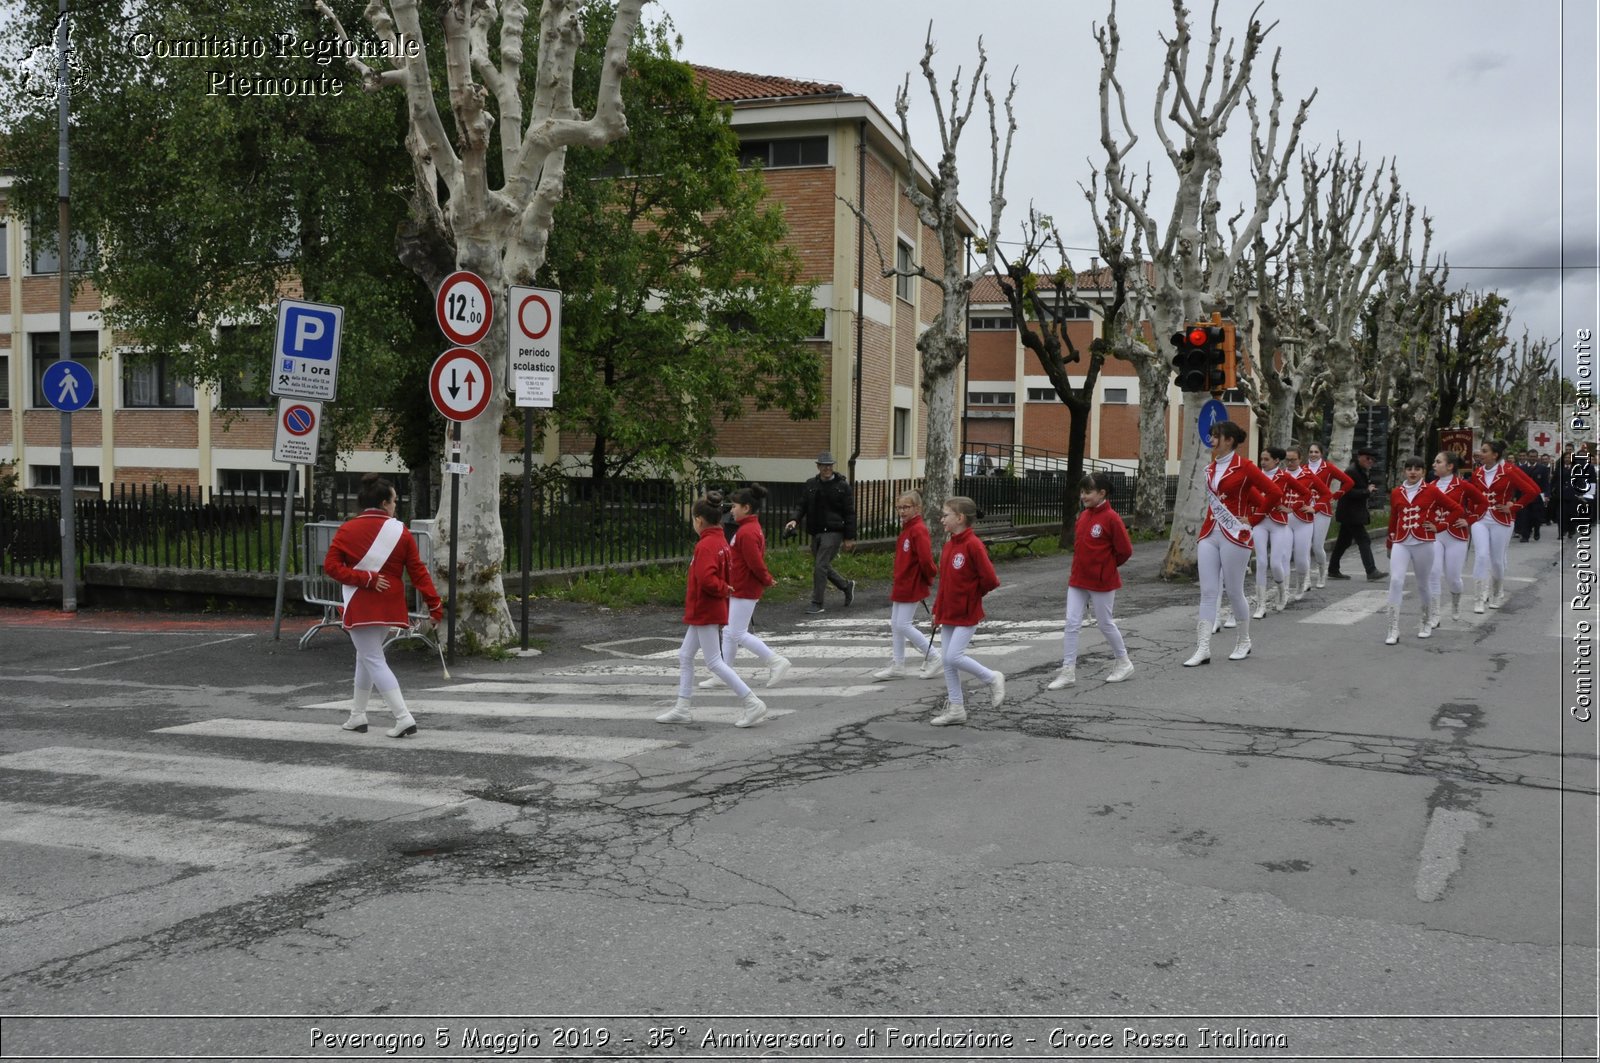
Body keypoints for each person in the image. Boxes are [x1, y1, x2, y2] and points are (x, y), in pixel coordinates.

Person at [323, 474, 443, 739]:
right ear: (384, 503)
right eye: (395, 501)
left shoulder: (347, 529)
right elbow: (418, 572)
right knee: (365, 657)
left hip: (361, 605)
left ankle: (403, 717)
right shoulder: (400, 531)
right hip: (389, 605)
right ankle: (357, 715)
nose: (396, 506)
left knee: (373, 659)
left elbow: (331, 567)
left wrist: (364, 578)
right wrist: (435, 605)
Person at [657, 492, 769, 728]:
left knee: (715, 662)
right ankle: (682, 707)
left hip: (704, 608)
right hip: (709, 608)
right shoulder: (720, 541)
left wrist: (722, 588)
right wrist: (724, 589)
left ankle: (752, 702)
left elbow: (707, 579)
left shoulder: (705, 545)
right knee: (685, 655)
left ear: (699, 520)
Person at [1184, 420, 1281, 666]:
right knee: (1207, 592)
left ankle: (1244, 640)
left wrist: (1254, 518)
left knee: (1234, 590)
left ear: (1229, 440)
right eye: (1211, 436)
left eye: (1216, 436)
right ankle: (1203, 647)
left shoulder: (1245, 467)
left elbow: (1273, 494)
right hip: (1209, 533)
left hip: (1234, 535)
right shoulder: (1210, 468)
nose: (1212, 440)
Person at [700, 485, 792, 692]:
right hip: (740, 587)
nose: (731, 510)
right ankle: (724, 673)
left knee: (736, 632)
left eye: (735, 506)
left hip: (744, 588)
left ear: (747, 508)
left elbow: (755, 562)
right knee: (730, 632)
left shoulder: (748, 532)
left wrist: (767, 579)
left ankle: (776, 661)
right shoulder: (748, 529)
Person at [1047, 473, 1134, 689]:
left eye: (1088, 492)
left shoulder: (1112, 518)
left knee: (1105, 623)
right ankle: (1068, 671)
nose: (1083, 496)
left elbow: (1124, 551)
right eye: (1082, 492)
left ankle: (1124, 662)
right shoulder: (1084, 516)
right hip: (1078, 579)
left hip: (1102, 581)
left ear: (1102, 493)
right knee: (1071, 623)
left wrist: (1106, 567)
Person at [928, 496, 1003, 726]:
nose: (942, 519)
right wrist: (937, 610)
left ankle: (992, 678)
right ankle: (956, 708)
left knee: (952, 656)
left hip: (967, 612)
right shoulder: (950, 544)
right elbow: (945, 582)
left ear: (960, 518)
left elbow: (990, 579)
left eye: (946, 514)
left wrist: (972, 595)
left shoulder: (973, 544)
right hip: (949, 611)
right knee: (949, 662)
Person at [1383, 456, 1466, 645]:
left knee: (1423, 583)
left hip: (1423, 542)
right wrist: (1390, 543)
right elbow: (1393, 519)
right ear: (1404, 471)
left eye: (1417, 469)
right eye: (1409, 468)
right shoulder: (1397, 492)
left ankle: (1426, 621)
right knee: (1396, 580)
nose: (1413, 472)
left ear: (1422, 472)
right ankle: (1393, 628)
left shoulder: (1432, 490)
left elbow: (1456, 509)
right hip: (1401, 542)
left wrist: (1439, 526)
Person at [872, 490, 941, 681]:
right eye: (899, 507)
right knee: (896, 624)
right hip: (902, 582)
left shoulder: (917, 529)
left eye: (906, 507)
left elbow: (927, 561)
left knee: (903, 624)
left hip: (912, 583)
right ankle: (898, 664)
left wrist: (927, 579)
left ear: (917, 508)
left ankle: (935, 656)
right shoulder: (907, 528)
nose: (902, 511)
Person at [1468, 439, 1541, 611]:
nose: (1480, 453)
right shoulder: (1477, 472)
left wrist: (1515, 506)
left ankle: (1497, 591)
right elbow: (1472, 495)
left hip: (1501, 519)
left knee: (1497, 560)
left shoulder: (1509, 470)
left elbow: (1533, 490)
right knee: (1481, 556)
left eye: (1484, 451)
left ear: (1495, 455)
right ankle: (1479, 597)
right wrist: (1470, 514)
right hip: (1480, 519)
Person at [785, 451, 857, 614]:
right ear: (818, 466)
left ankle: (817, 603)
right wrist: (793, 520)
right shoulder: (811, 484)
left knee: (820, 566)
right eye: (824, 465)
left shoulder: (842, 486)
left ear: (832, 467)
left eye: (829, 465)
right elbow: (801, 505)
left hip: (834, 531)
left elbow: (850, 512)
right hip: (816, 530)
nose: (827, 468)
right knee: (821, 566)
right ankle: (846, 586)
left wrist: (849, 537)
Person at [1425, 450, 1488, 626]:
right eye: (1435, 462)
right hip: (1435, 534)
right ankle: (1435, 614)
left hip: (1456, 535)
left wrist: (1469, 520)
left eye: (1438, 462)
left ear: (1450, 466)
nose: (1434, 465)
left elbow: (1483, 502)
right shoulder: (1430, 485)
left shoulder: (1462, 485)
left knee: (1453, 577)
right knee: (1434, 572)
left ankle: (1455, 603)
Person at [1278, 445, 1331, 603]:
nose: (1290, 463)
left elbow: (1327, 494)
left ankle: (1300, 586)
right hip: (1285, 521)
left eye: (1293, 460)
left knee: (1301, 558)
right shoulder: (1281, 475)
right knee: (1284, 556)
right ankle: (1284, 592)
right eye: (1287, 460)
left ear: (1300, 459)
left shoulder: (1308, 475)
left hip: (1303, 521)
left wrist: (1315, 508)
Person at [1326, 448, 1385, 581]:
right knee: (1364, 540)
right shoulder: (1352, 471)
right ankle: (1371, 571)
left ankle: (1333, 569)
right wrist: (1366, 491)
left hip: (1352, 513)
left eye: (1373, 460)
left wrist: (1368, 490)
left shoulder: (1361, 470)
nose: (1371, 462)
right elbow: (1347, 492)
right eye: (1368, 458)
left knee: (1343, 542)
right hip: (1350, 513)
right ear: (1360, 457)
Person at [1248, 446, 1291, 617]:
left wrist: (1291, 508)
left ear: (1276, 461)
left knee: (1275, 563)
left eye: (1266, 459)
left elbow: (1304, 493)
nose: (1262, 462)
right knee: (1261, 562)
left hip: (1278, 523)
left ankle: (1282, 592)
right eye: (1261, 459)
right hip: (1259, 522)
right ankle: (1261, 605)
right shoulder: (1255, 476)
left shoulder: (1284, 477)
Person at [1305, 442, 1353, 588]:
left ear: (1321, 454)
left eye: (1316, 452)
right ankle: (1306, 579)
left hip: (1322, 509)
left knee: (1317, 546)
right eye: (1311, 452)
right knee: (1304, 546)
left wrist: (1335, 496)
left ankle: (1321, 574)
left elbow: (1348, 482)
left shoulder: (1328, 467)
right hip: (1305, 509)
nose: (1313, 455)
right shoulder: (1303, 469)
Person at [1516, 450, 1551, 541]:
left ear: (1537, 457)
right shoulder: (1521, 468)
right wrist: (1516, 496)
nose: (1533, 458)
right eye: (1531, 456)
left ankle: (1536, 530)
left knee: (1536, 516)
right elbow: (1517, 483)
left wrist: (1546, 495)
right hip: (1525, 497)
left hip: (1537, 497)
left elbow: (1545, 483)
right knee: (1525, 516)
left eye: (1534, 456)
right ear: (1528, 457)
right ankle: (1525, 536)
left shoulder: (1542, 468)